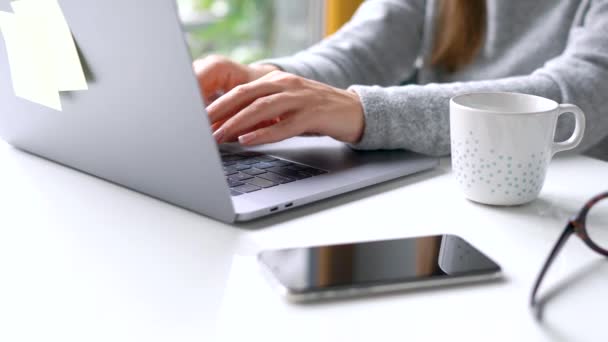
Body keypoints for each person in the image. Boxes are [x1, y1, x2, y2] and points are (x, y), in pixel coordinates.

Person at [193, 0, 608, 157]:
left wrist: (364, 111)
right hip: (443, 196)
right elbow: (363, 49)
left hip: (566, 218)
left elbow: (576, 96)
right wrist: (266, 80)